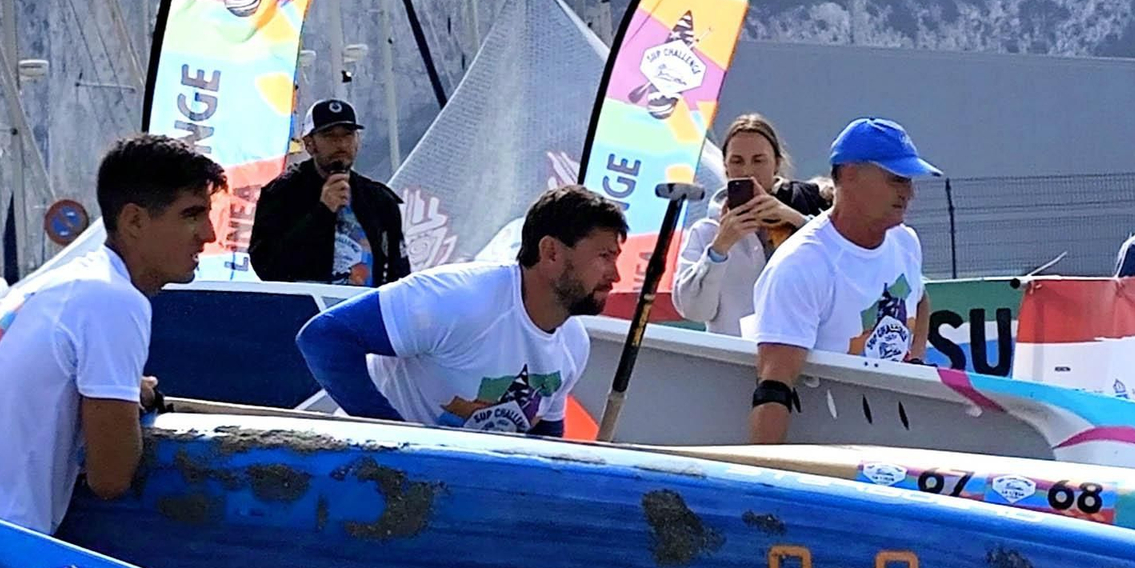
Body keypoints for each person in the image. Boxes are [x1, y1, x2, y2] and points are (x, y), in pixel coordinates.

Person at [747, 118, 940, 568]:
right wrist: (764, 489)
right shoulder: (805, 264)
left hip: (893, 460)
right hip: (819, 471)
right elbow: (773, 381)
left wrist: (913, 372)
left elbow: (918, 302)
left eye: (911, 179)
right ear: (847, 179)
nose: (907, 192)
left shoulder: (905, 243)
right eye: (895, 178)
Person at [0, 135, 226, 534]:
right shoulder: (114, 300)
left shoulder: (58, 285)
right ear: (135, 221)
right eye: (192, 214)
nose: (208, 235)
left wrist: (121, 392)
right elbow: (111, 478)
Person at [295, 184, 624, 435]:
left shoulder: (575, 344)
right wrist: (398, 443)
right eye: (603, 256)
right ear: (550, 252)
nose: (616, 275)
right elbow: (324, 338)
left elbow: (544, 442)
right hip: (371, 477)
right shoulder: (457, 299)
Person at [672, 114, 830, 335]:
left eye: (758, 160)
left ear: (776, 164)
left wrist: (796, 220)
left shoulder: (805, 219)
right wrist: (719, 249)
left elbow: (841, 267)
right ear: (725, 168)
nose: (747, 171)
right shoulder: (705, 232)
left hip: (796, 354)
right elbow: (694, 311)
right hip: (731, 360)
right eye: (737, 161)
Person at [249, 98, 410, 287]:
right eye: (329, 136)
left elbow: (397, 268)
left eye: (347, 135)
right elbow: (266, 266)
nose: (340, 143)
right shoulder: (283, 193)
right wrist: (322, 211)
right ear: (309, 144)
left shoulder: (378, 199)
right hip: (307, 309)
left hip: (364, 308)